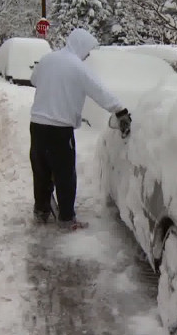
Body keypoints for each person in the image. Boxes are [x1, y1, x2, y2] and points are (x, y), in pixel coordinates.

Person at [29, 28, 132, 230]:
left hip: (37, 124)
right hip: (60, 129)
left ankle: (41, 211)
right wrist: (120, 110)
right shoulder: (77, 67)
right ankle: (66, 218)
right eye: (87, 50)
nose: (86, 55)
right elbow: (99, 91)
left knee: (41, 169)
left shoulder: (48, 59)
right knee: (64, 174)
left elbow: (34, 80)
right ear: (81, 45)